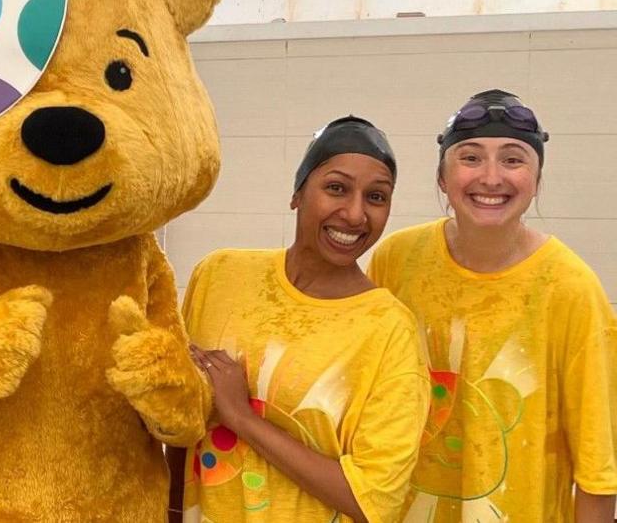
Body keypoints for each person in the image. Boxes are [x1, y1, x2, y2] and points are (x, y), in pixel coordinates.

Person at [369, 89, 616, 522]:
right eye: (470, 157)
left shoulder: (571, 289)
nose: (491, 177)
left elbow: (598, 469)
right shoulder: (396, 260)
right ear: (443, 178)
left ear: (537, 179)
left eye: (513, 159)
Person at [169, 116, 429, 523]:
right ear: (298, 194)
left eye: (376, 197)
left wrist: (241, 418)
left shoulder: (389, 330)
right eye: (336, 188)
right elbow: (177, 417)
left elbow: (373, 501)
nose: (355, 214)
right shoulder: (218, 275)